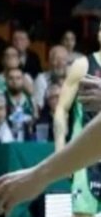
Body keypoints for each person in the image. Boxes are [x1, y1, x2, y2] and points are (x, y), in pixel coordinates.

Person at [53, 46, 101, 217]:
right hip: (87, 158)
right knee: (83, 213)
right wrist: (60, 152)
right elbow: (61, 109)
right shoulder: (83, 65)